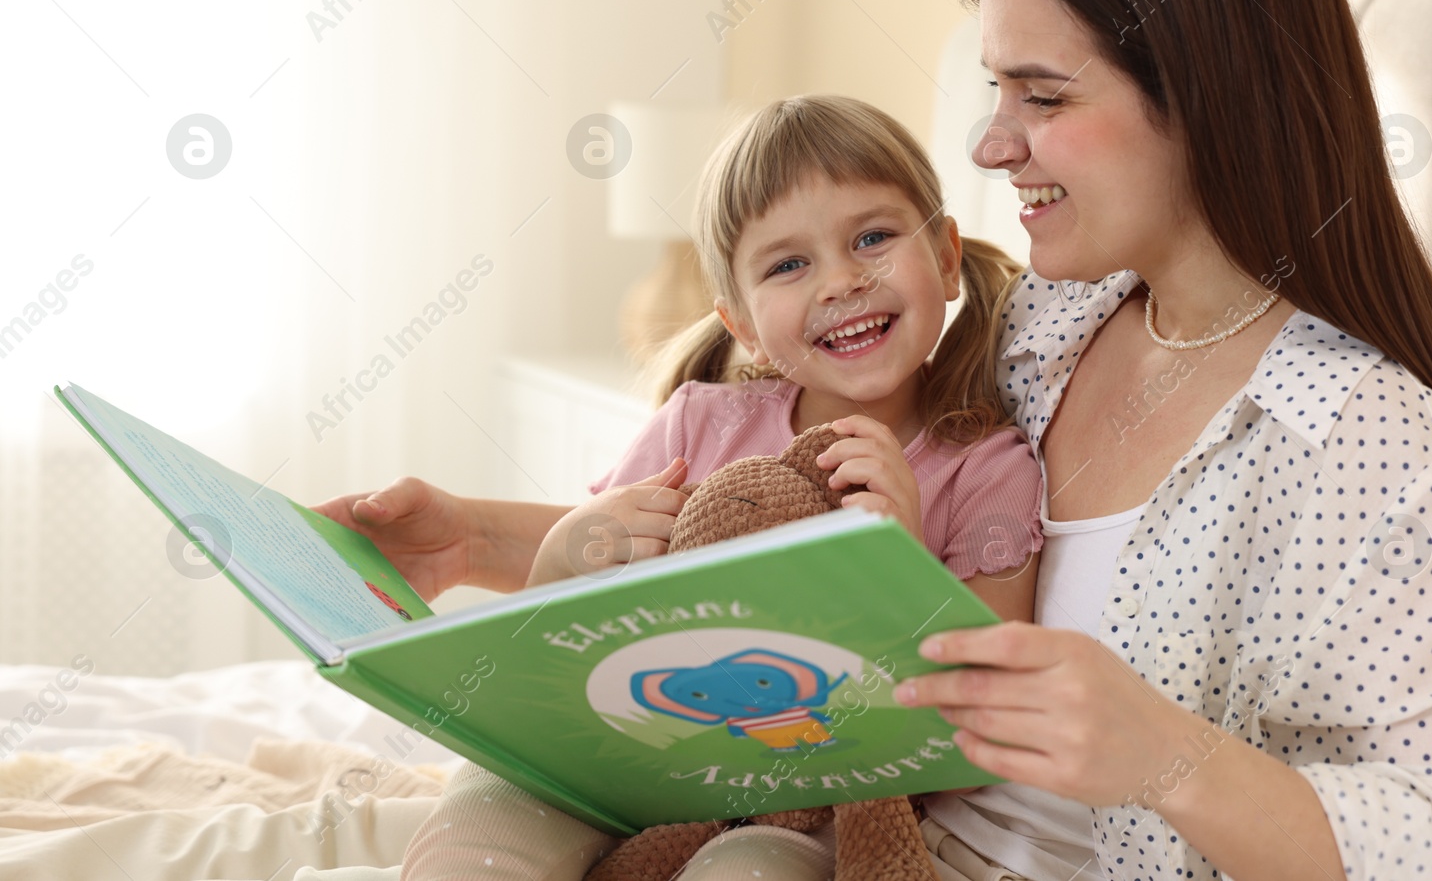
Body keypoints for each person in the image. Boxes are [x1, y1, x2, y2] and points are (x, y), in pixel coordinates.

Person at [315, 0, 1432, 880]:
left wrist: (1167, 755)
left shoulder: (1360, 442)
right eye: (992, 91)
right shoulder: (1037, 329)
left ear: (1201, 87)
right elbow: (747, 530)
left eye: (1041, 96)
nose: (987, 145)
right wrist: (476, 540)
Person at [376, 92, 1044, 879]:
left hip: (813, 806)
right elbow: (566, 639)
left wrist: (898, 569)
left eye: (872, 237)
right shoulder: (700, 425)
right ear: (741, 322)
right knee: (482, 819)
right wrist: (566, 552)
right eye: (789, 264)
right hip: (625, 762)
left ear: (942, 253)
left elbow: (980, 738)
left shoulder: (989, 466)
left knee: (747, 867)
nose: (840, 280)